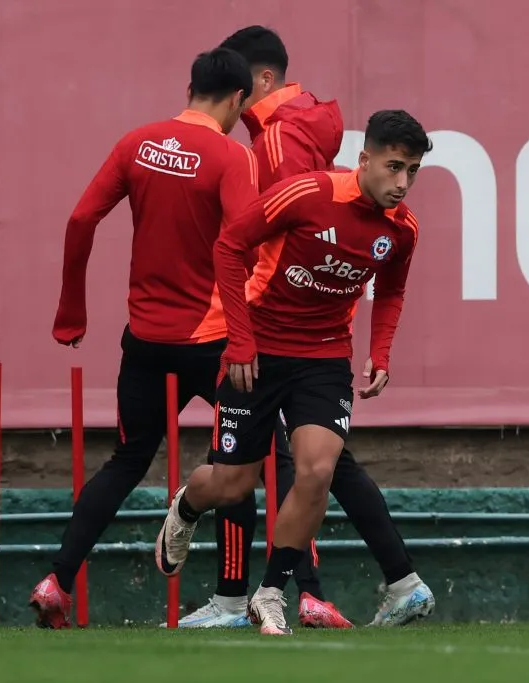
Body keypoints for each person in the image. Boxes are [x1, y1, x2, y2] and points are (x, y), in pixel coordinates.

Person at [171, 24, 435, 631]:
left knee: (317, 467)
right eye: (394, 167)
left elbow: (391, 288)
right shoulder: (307, 192)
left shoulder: (403, 229)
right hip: (258, 349)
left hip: (323, 356)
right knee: (231, 481)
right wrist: (239, 339)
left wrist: (382, 352)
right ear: (363, 159)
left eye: (413, 172)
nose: (402, 183)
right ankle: (186, 506)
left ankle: (269, 593)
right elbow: (229, 248)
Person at [29, 47, 260, 629]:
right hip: (211, 345)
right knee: (239, 463)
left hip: (146, 343)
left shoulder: (136, 143)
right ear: (236, 99)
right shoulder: (231, 157)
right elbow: (245, 247)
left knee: (126, 460)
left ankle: (57, 580)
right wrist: (245, 339)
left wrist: (70, 311)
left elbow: (81, 219)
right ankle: (232, 601)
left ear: (190, 88)